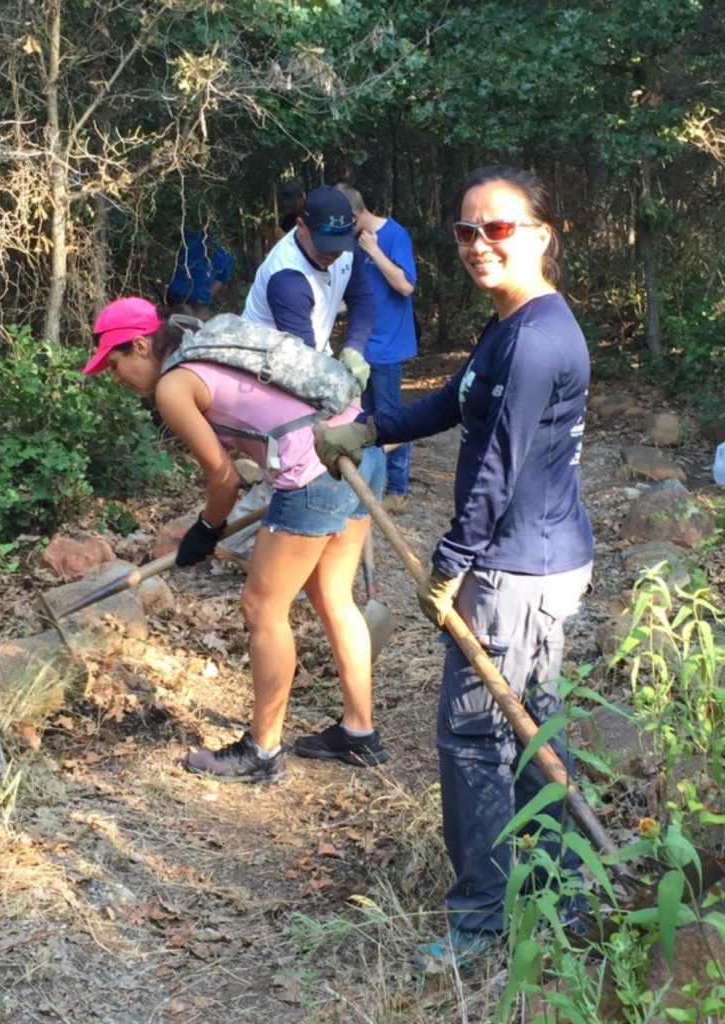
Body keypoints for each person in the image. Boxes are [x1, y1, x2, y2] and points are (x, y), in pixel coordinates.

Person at [314, 166, 594, 965]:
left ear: (541, 234)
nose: (478, 245)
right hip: (526, 562)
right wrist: (373, 428)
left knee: (475, 738)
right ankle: (561, 893)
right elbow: (457, 401)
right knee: (529, 725)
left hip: (516, 570)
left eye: (497, 228)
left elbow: (497, 472)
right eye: (466, 230)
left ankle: (481, 921)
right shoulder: (510, 323)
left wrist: (448, 568)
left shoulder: (538, 340)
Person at [81, 296, 387, 783]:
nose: (116, 379)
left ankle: (262, 753)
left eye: (114, 365)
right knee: (334, 597)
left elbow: (223, 479)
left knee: (262, 608)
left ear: (139, 345)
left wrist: (205, 529)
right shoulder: (208, 349)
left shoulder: (175, 385)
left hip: (314, 473)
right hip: (359, 448)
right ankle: (358, 733)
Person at [243, 184, 375, 392]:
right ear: (301, 225)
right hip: (264, 370)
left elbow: (361, 298)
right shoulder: (287, 279)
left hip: (311, 354)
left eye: (338, 245)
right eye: (323, 244)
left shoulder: (348, 248)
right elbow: (304, 358)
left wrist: (354, 347)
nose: (332, 254)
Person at [336, 184, 418, 514]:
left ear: (356, 215)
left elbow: (405, 285)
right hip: (360, 347)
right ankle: (371, 485)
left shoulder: (394, 234)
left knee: (389, 419)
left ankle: (397, 491)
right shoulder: (353, 243)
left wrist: (374, 251)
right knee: (361, 419)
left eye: (345, 222)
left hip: (387, 346)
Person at [166, 229, 236, 312]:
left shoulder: (193, 237)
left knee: (172, 318)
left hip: (174, 289)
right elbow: (219, 282)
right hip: (197, 297)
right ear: (231, 240)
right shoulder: (228, 256)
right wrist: (206, 297)